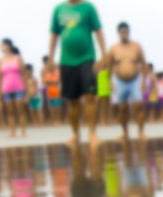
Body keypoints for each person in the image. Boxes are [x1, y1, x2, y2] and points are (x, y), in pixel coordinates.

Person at [48, 0, 107, 146]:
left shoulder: (88, 7)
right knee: (72, 100)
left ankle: (92, 133)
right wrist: (50, 58)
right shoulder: (58, 9)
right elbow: (54, 35)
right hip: (66, 60)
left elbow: (98, 31)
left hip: (87, 58)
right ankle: (75, 134)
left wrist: (104, 55)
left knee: (90, 96)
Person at [107, 21, 148, 140]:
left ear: (128, 32)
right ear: (118, 33)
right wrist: (110, 82)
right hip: (120, 81)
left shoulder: (136, 46)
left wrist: (144, 81)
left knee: (138, 106)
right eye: (121, 31)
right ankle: (124, 132)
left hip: (135, 81)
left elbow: (144, 64)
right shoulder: (113, 48)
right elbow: (109, 67)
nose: (124, 33)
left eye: (126, 31)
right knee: (122, 108)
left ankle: (141, 132)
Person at [0, 38, 28, 138]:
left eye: (2, 45)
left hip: (19, 88)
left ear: (8, 45)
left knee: (20, 110)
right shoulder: (0, 60)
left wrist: (26, 92)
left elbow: (24, 75)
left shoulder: (18, 58)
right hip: (6, 90)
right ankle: (12, 132)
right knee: (10, 112)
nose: (1, 47)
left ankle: (23, 132)